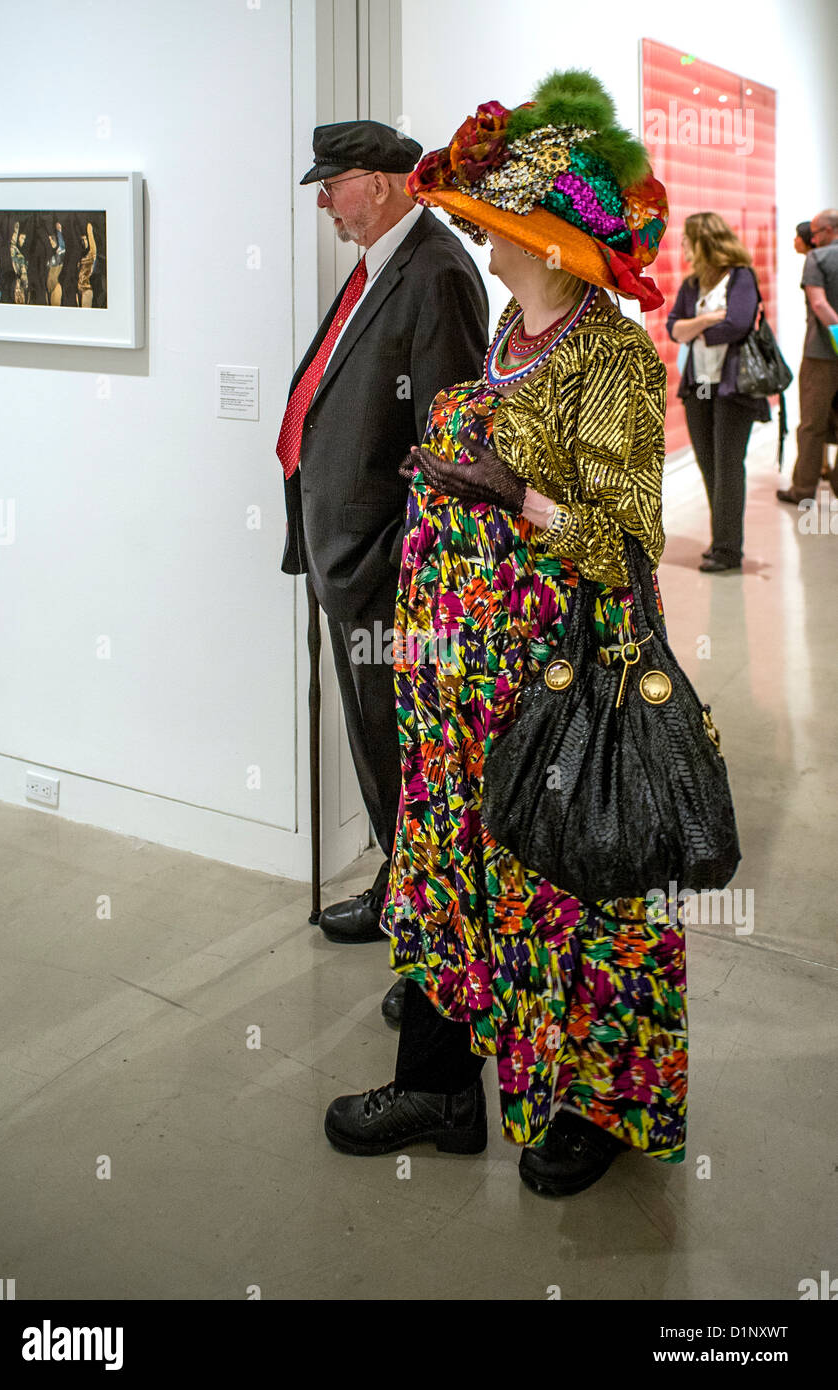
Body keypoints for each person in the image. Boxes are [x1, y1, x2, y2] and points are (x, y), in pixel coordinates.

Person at [323, 69, 687, 1197]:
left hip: (558, 687)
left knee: (571, 899)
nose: (478, 244)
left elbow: (630, 544)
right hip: (455, 682)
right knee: (443, 881)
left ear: (548, 244)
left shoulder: (612, 359)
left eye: (494, 227)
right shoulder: (512, 340)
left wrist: (510, 498)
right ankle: (438, 1084)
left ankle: (596, 1106)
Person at [277, 120, 489, 1024]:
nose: (324, 200)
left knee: (410, 759)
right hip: (349, 563)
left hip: (388, 574)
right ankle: (403, 898)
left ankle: (431, 951)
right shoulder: (379, 263)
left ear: (390, 182)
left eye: (337, 183)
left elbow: (448, 450)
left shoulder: (437, 272)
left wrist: (398, 563)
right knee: (377, 751)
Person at [666, 213, 767, 573]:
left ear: (704, 241)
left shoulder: (741, 276)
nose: (683, 247)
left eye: (687, 240)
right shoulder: (693, 284)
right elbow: (674, 327)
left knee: (728, 466)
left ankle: (727, 549)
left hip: (733, 388)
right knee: (709, 465)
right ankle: (719, 540)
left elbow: (738, 324)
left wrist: (695, 329)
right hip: (699, 387)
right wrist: (709, 320)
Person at [777, 208, 838, 504]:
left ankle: (803, 490)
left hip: (821, 354)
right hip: (823, 353)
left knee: (812, 424)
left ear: (828, 231)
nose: (811, 239)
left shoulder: (817, 259)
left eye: (815, 233)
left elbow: (819, 304)